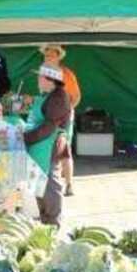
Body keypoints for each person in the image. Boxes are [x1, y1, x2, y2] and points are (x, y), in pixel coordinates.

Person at [23, 64, 70, 227]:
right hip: (40, 143)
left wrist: (26, 138)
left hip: (49, 144)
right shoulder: (49, 94)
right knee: (39, 181)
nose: (38, 79)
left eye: (40, 77)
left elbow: (49, 127)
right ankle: (44, 217)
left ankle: (52, 220)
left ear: (49, 80)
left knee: (50, 183)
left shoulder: (58, 97)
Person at [40, 44, 80, 196]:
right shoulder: (42, 72)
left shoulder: (67, 74)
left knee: (63, 149)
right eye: (46, 55)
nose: (48, 58)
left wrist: (66, 111)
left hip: (64, 115)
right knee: (49, 146)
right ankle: (48, 181)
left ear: (58, 57)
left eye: (51, 55)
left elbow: (76, 96)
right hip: (49, 114)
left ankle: (69, 184)